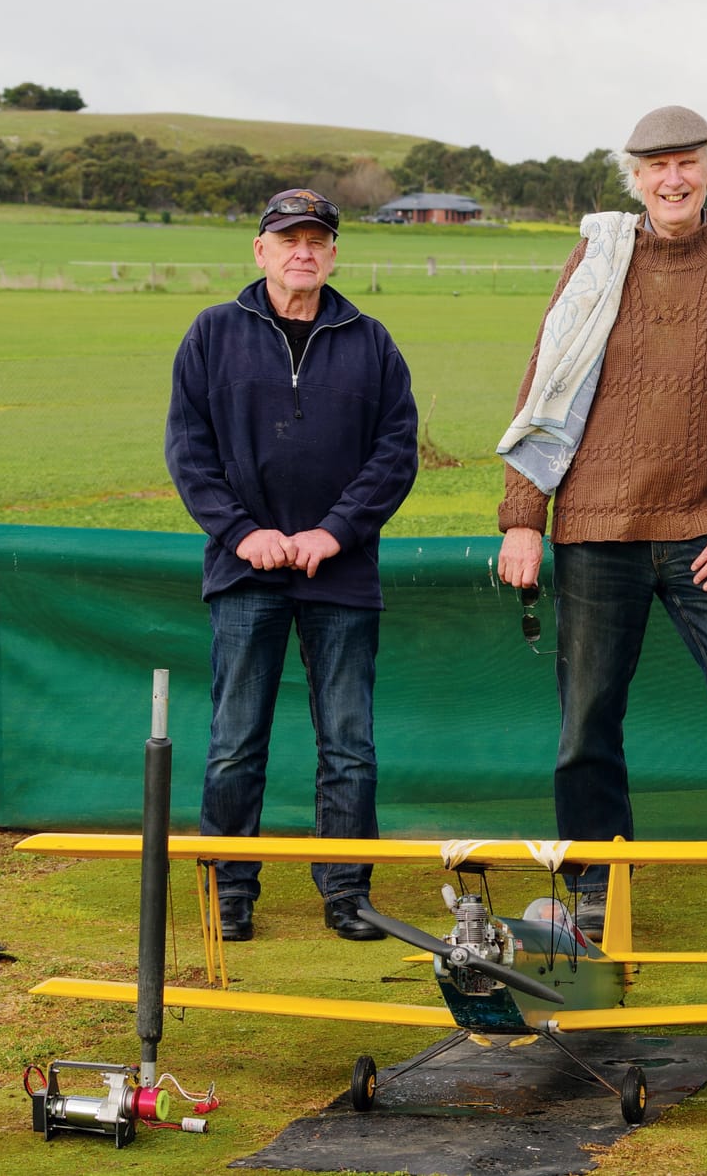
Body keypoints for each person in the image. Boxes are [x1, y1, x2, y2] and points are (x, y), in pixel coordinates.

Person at [495, 105, 707, 953]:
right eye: (654, 166)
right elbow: (544, 389)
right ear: (633, 177)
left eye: (688, 163)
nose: (671, 179)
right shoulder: (597, 260)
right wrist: (523, 517)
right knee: (587, 722)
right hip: (595, 530)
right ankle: (593, 894)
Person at [165, 189, 419, 943]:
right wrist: (242, 532)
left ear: (335, 253)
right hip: (246, 571)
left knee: (348, 741)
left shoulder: (371, 341)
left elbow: (395, 452)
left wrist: (334, 532)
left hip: (338, 573)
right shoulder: (213, 334)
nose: (302, 251)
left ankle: (347, 891)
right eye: (288, 239)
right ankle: (230, 887)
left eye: (317, 239)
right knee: (236, 737)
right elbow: (189, 449)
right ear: (261, 249)